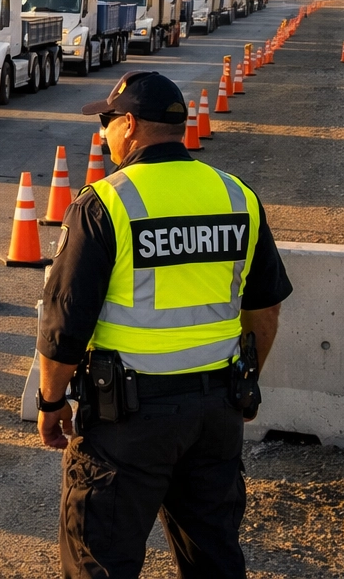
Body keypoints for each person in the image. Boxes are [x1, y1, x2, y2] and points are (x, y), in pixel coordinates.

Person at [35, 71, 292, 578]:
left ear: (129, 125)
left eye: (106, 121)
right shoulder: (236, 196)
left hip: (127, 422)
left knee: (100, 560)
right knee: (213, 556)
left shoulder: (105, 203)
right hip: (216, 411)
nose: (102, 132)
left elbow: (65, 324)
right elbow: (265, 310)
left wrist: (50, 402)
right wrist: (245, 386)